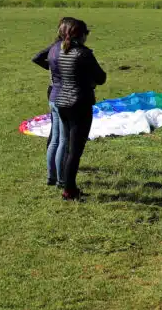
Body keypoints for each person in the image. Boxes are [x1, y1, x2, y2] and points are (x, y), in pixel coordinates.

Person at [32, 17, 107, 200]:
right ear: (81, 35)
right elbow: (101, 78)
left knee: (61, 141)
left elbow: (50, 67)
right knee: (74, 150)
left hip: (59, 101)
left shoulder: (54, 49)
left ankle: (58, 179)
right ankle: (69, 189)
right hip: (78, 103)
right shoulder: (83, 53)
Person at [32, 17, 72, 189]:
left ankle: (51, 175)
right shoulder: (61, 47)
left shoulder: (54, 48)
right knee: (62, 138)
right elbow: (37, 58)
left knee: (55, 137)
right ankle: (61, 177)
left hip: (53, 92)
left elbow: (37, 57)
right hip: (62, 92)